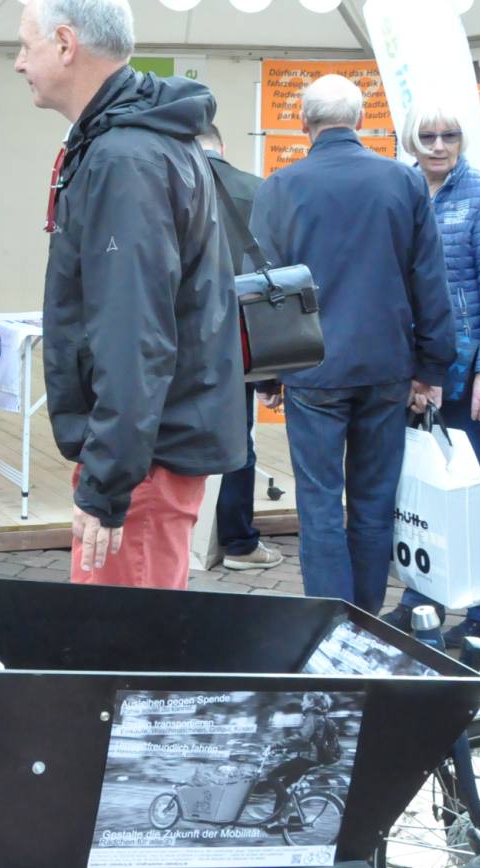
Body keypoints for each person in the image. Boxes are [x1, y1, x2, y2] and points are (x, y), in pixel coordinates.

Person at [14, 0, 245, 590]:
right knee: (128, 634)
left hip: (143, 463)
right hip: (145, 453)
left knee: (123, 638)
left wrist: (107, 483)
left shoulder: (126, 158)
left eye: (26, 46)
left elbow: (134, 335)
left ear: (65, 43)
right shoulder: (132, 144)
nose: (19, 63)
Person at [251, 74, 455, 613]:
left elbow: (262, 289)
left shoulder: (279, 187)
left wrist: (266, 374)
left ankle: (327, 623)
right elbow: (429, 279)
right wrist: (432, 366)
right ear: (361, 120)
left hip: (312, 368)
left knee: (318, 501)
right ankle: (365, 617)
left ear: (303, 122)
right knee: (373, 500)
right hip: (386, 364)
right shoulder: (403, 182)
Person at [376, 102, 480, 647]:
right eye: (428, 135)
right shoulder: (400, 190)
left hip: (464, 373)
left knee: (468, 491)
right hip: (412, 371)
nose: (439, 145)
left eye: (450, 135)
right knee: (421, 491)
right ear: (410, 141)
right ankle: (423, 601)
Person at [197, 123, 283, 573]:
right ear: (222, 146)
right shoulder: (258, 190)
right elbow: (272, 279)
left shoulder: (165, 188)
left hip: (178, 339)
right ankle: (238, 543)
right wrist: (271, 374)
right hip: (240, 337)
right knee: (237, 437)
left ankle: (182, 538)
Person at [261, 692, 343, 831]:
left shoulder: (312, 715)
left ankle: (288, 806)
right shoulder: (320, 716)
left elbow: (302, 738)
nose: (301, 703)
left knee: (271, 776)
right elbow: (310, 742)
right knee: (283, 786)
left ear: (311, 702)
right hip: (312, 759)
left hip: (307, 759)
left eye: (304, 700)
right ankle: (277, 820)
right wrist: (284, 750)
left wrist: (275, 745)